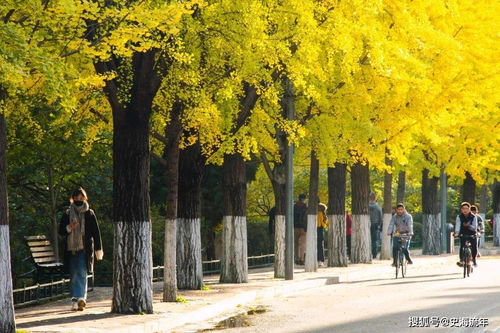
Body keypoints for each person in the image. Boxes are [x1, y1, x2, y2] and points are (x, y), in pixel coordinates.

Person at [59, 187, 103, 311]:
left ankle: (80, 299)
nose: (79, 199)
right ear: (72, 198)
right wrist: (70, 227)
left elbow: (96, 233)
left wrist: (98, 250)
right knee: (73, 274)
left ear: (85, 198)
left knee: (82, 272)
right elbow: (61, 231)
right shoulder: (67, 213)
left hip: (85, 249)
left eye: (81, 197)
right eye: (76, 197)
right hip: (71, 249)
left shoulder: (89, 213)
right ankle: (75, 299)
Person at [454, 202, 478, 267]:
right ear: (461, 210)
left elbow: (475, 227)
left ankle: (474, 259)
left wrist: (469, 226)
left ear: (469, 209)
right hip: (463, 233)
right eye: (463, 208)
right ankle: (461, 260)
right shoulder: (459, 217)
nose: (465, 210)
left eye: (466, 208)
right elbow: (458, 226)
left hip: (472, 234)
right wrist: (456, 233)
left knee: (474, 246)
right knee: (462, 246)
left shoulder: (473, 216)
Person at [293, 194, 307, 265]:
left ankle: (296, 258)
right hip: (303, 228)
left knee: (296, 244)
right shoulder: (305, 207)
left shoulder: (294, 206)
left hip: (295, 227)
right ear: (304, 199)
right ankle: (301, 259)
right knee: (302, 243)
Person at [369, 192, 383, 259]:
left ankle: (368, 252)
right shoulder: (378, 207)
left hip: (367, 224)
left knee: (368, 239)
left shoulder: (367, 206)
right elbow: (381, 218)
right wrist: (379, 225)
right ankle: (374, 254)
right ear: (375, 198)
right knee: (375, 240)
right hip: (375, 225)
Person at [317, 203, 328, 267]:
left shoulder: (311, 211)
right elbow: (325, 222)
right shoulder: (323, 213)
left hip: (312, 229)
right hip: (320, 229)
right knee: (320, 245)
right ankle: (321, 260)